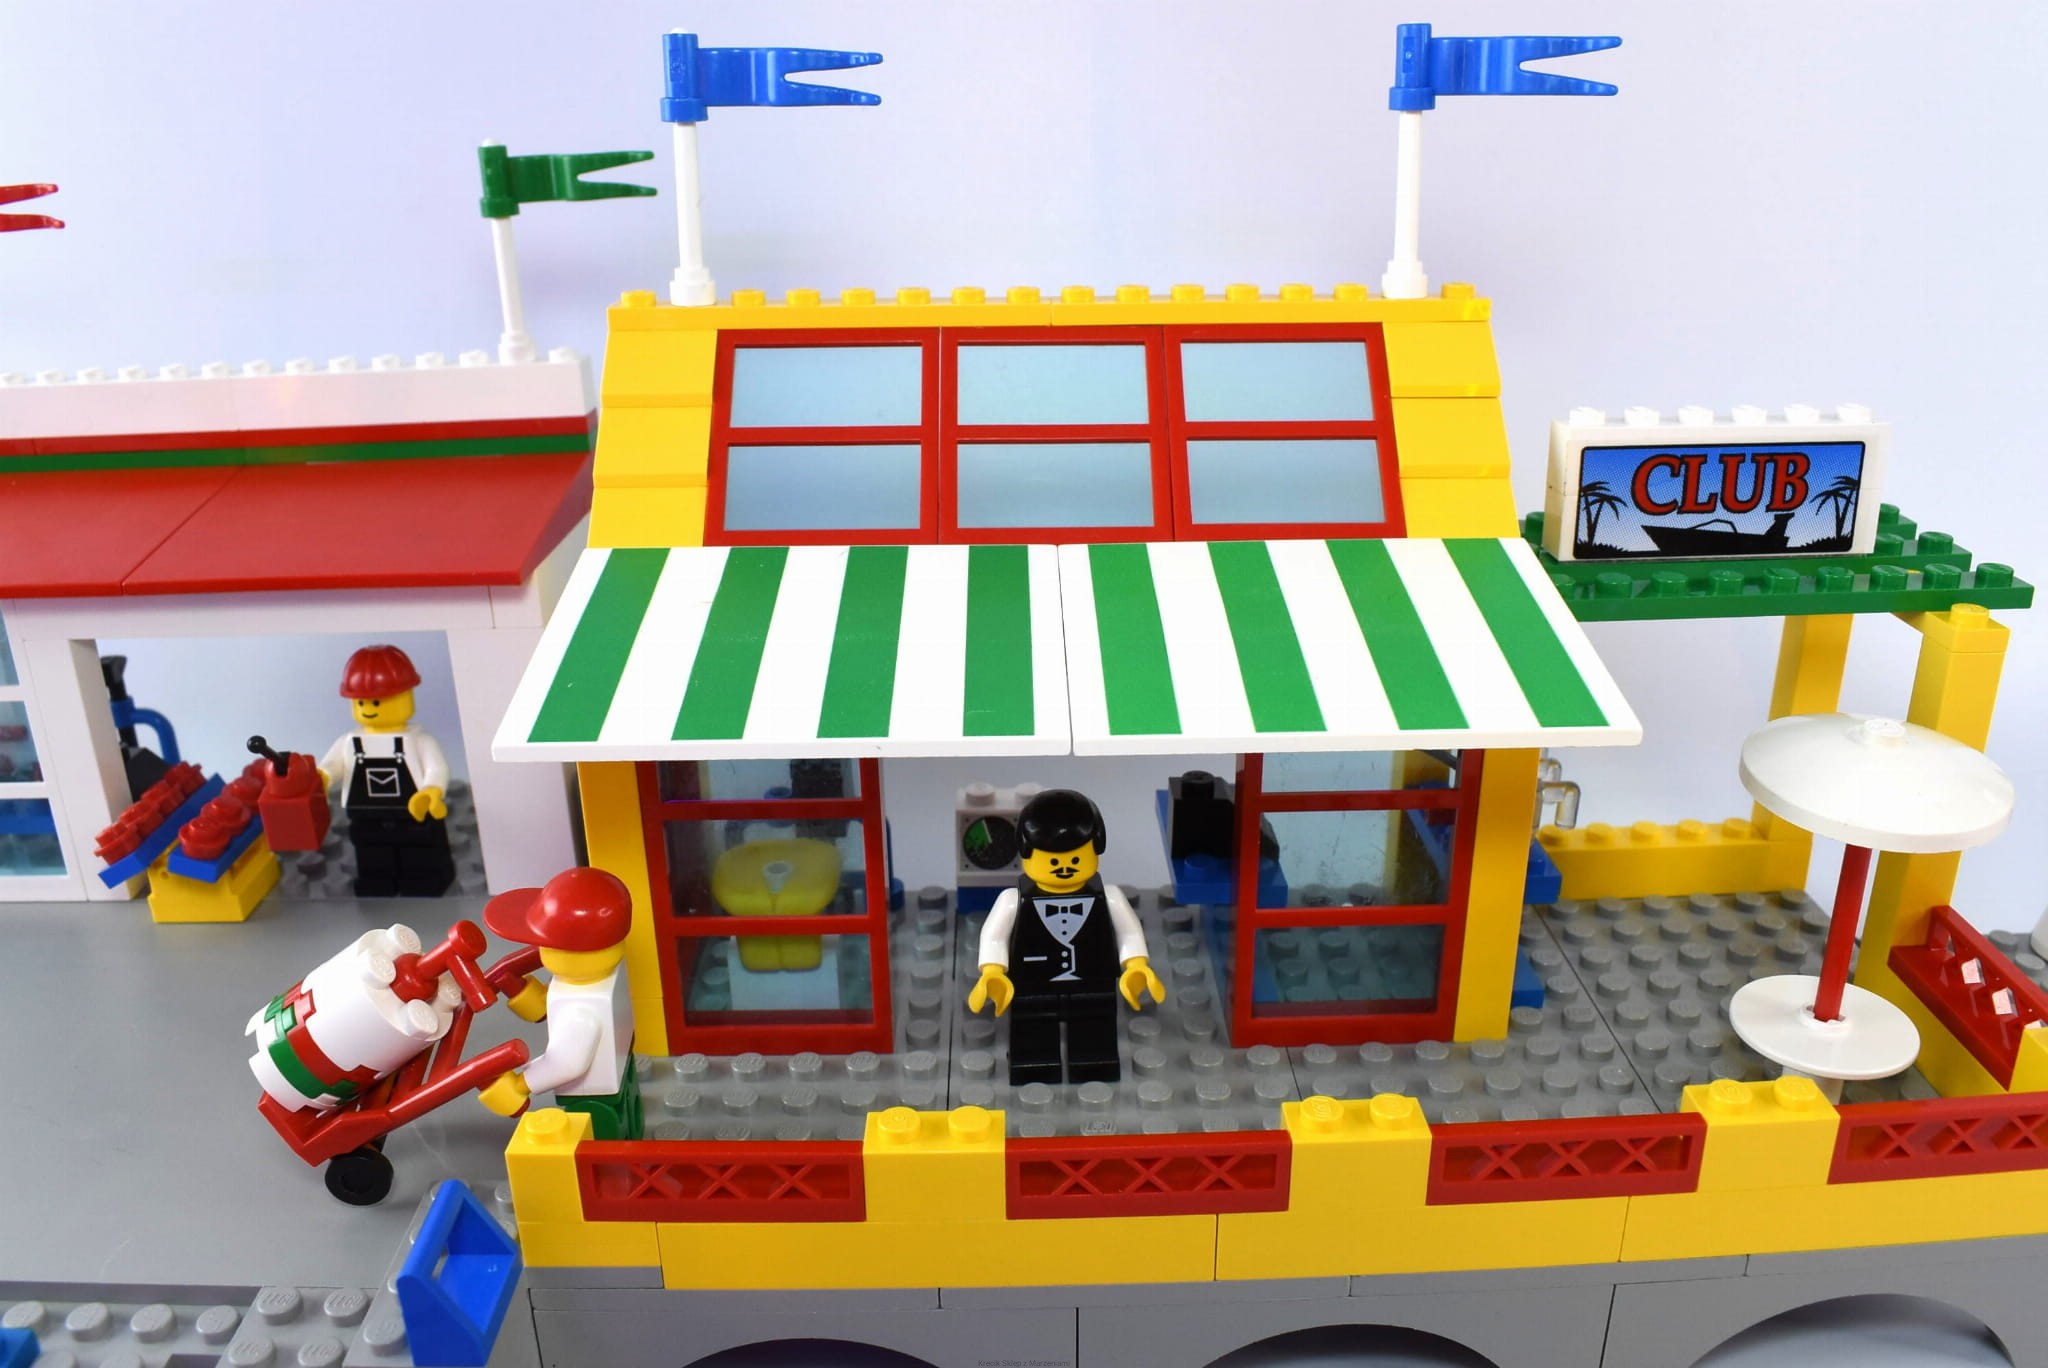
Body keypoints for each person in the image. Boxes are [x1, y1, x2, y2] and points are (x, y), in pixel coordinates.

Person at [966, 789, 1166, 1085]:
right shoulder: (1012, 900)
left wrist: (1136, 965)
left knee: (1095, 1027)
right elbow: (993, 937)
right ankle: (1034, 1067)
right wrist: (992, 971)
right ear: (1026, 853)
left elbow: (1129, 931)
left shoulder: (1110, 897)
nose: (1064, 868)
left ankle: (1094, 1065)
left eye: (1074, 859)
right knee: (1032, 1030)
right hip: (1033, 983)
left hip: (1093, 982)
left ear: (1096, 848)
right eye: (1053, 861)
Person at [478, 867, 642, 1140]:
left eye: (546, 945)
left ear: (568, 951)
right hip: (623, 1066)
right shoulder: (610, 974)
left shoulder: (579, 1010)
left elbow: (566, 1064)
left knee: (605, 1140)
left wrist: (520, 1085)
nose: (540, 950)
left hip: (593, 1097)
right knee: (631, 1118)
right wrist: (542, 1001)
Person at [318, 644, 455, 898]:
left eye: (377, 701)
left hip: (413, 811)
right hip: (366, 814)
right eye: (361, 702)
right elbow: (333, 765)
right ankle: (377, 882)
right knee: (371, 850)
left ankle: (423, 881)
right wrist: (323, 777)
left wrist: (431, 791)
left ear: (406, 696)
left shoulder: (418, 740)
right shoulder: (350, 742)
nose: (369, 707)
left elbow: (436, 768)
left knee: (419, 850)